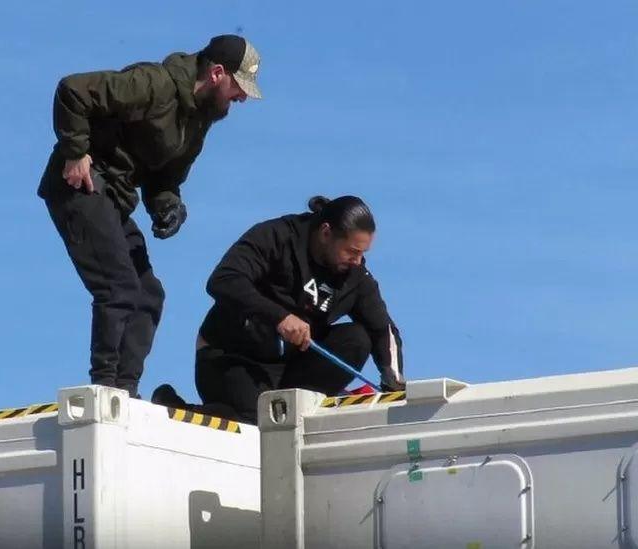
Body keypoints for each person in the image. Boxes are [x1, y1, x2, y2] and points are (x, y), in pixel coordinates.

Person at [38, 35, 262, 397]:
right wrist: (75, 151)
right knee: (119, 286)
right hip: (80, 186)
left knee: (148, 294)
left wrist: (168, 206)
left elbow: (164, 179)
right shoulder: (154, 84)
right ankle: (105, 389)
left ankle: (125, 390)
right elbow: (72, 90)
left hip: (113, 198)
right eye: (239, 89)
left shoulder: (198, 122)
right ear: (218, 73)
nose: (241, 99)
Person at [152, 196, 404, 423]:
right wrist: (279, 317)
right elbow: (223, 279)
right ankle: (174, 407)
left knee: (357, 339)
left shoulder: (354, 274)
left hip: (288, 367)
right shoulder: (278, 236)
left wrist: (393, 380)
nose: (357, 261)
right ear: (326, 233)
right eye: (351, 251)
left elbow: (382, 328)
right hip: (231, 357)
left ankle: (297, 406)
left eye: (362, 253)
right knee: (256, 420)